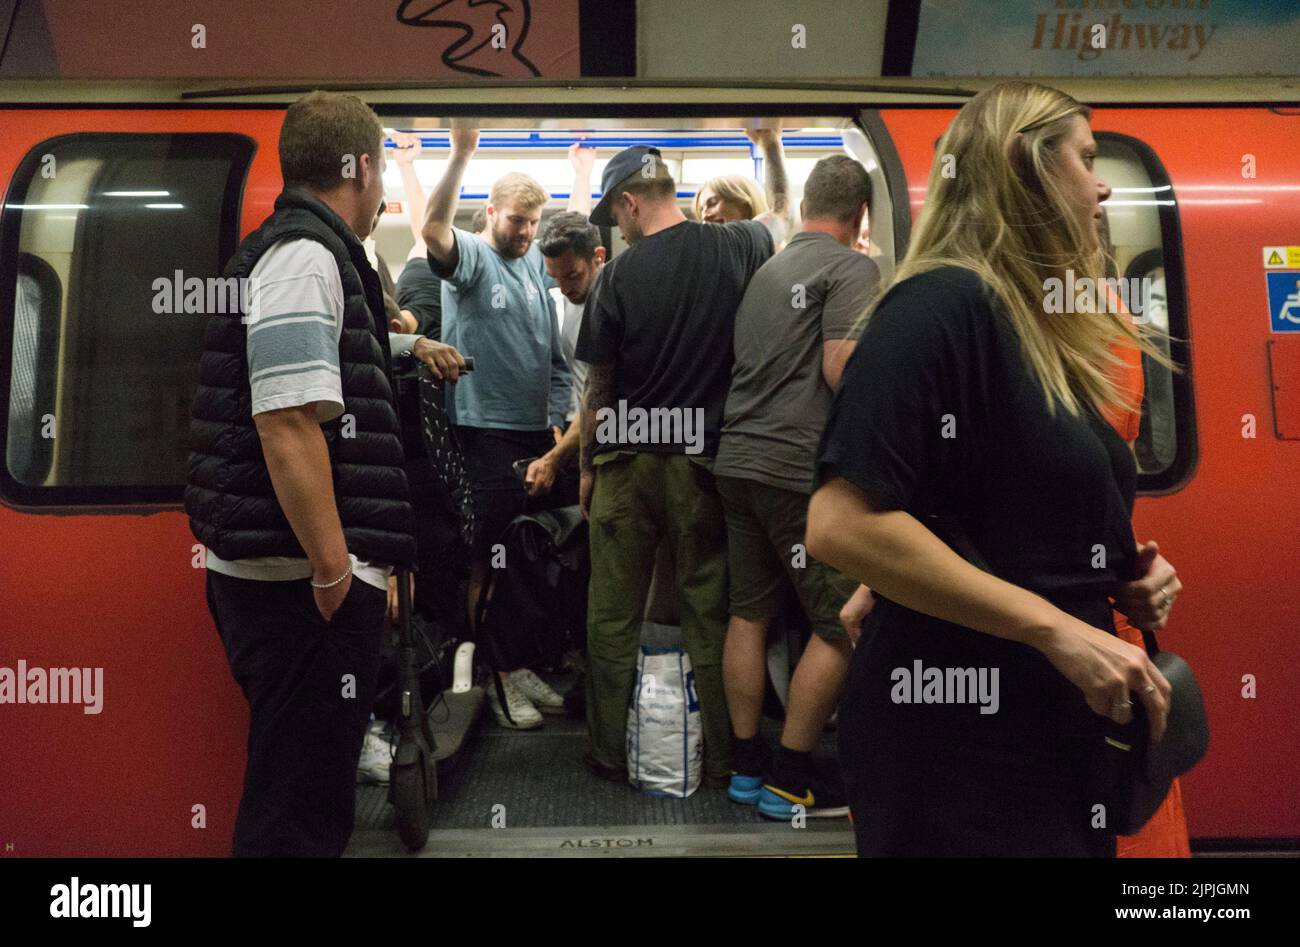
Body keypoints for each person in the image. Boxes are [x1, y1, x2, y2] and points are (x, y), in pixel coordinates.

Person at [806, 81, 1178, 857]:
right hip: (962, 735)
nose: (1102, 182)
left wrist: (1123, 576)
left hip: (1051, 720)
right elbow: (842, 523)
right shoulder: (941, 305)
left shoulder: (1041, 326)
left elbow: (995, 510)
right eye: (1085, 157)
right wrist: (1057, 630)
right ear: (1026, 165)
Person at [185, 91, 464, 857]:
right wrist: (337, 567)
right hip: (294, 580)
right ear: (364, 168)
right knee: (297, 808)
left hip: (290, 571)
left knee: (305, 786)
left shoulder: (313, 255)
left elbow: (317, 366)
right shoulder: (307, 258)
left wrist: (405, 352)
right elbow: (284, 420)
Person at [576, 145, 773, 784]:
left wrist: (585, 466)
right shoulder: (737, 245)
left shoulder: (615, 278)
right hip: (700, 464)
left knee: (612, 616)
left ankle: (607, 753)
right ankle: (719, 760)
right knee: (706, 614)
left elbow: (598, 385)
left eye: (616, 215)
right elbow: (783, 218)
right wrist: (767, 144)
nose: (619, 228)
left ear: (630, 203)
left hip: (626, 464)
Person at [714, 154, 880, 819]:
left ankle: (747, 768)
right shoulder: (854, 267)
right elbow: (841, 366)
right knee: (840, 621)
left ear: (809, 203)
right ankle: (791, 781)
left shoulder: (768, 268)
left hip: (737, 462)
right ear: (860, 215)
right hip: (793, 471)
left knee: (749, 613)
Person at [421, 127, 572, 729]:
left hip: (538, 434)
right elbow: (434, 231)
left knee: (538, 554)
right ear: (490, 214)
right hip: (486, 431)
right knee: (495, 554)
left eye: (533, 222)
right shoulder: (475, 258)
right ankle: (496, 676)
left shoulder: (535, 262)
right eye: (516, 221)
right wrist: (461, 153)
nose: (527, 233)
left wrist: (560, 420)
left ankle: (521, 661)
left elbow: (552, 355)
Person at [531, 144, 604, 498]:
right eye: (555, 278)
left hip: (614, 447)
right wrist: (582, 174)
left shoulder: (610, 308)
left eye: (572, 276)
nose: (564, 287)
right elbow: (578, 224)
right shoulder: (571, 295)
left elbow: (597, 397)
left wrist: (554, 458)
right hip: (585, 441)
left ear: (598, 259)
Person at [694, 127, 793, 246]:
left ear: (744, 205)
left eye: (713, 203)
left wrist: (769, 143)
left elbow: (782, 210)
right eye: (701, 211)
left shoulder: (754, 241)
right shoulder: (704, 251)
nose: (705, 215)